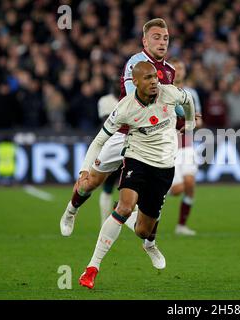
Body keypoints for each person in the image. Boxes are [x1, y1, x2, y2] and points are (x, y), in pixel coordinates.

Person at [60, 18, 176, 270]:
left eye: (165, 38)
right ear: (145, 40)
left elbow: (169, 103)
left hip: (150, 140)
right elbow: (138, 97)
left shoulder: (169, 71)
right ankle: (71, 210)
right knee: (91, 182)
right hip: (124, 133)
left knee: (153, 196)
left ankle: (148, 242)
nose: (162, 42)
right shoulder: (135, 64)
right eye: (156, 37)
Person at [78, 61, 195, 289]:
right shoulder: (124, 108)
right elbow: (99, 140)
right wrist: (85, 168)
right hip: (136, 159)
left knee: (143, 230)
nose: (154, 82)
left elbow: (188, 100)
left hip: (163, 167)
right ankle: (92, 268)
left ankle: (150, 244)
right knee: (124, 208)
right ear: (136, 83)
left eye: (155, 77)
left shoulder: (168, 92)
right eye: (149, 78)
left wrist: (189, 124)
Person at [168, 58, 203, 236]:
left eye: (181, 67)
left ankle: (181, 226)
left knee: (190, 184)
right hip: (169, 147)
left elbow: (199, 119)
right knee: (175, 190)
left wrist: (191, 123)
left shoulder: (191, 93)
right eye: (175, 68)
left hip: (187, 146)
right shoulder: (164, 90)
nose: (179, 71)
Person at [96, 77, 121, 226]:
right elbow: (107, 122)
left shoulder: (131, 98)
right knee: (107, 187)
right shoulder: (105, 101)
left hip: (129, 148)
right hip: (111, 147)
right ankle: (104, 222)